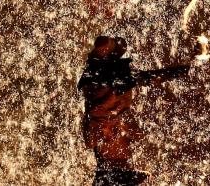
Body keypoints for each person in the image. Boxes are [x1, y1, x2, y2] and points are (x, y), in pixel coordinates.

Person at [78, 35, 192, 186]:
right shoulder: (103, 117)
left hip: (111, 173)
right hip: (111, 173)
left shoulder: (100, 115)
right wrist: (187, 69)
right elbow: (151, 77)